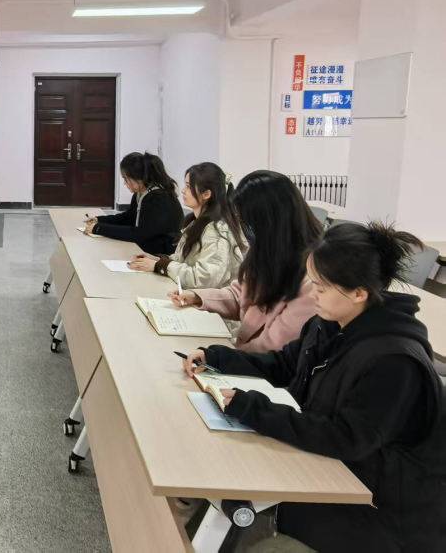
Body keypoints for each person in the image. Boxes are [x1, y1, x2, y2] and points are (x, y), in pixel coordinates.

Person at [183, 222, 446, 553]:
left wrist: (254, 409)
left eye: (321, 287)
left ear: (359, 293)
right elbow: (283, 364)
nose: (311, 294)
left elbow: (345, 438)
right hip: (335, 475)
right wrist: (216, 358)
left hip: (381, 512)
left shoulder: (394, 362)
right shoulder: (330, 324)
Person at [170, 170, 321, 352]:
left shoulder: (313, 277)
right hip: (245, 354)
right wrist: (197, 297)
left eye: (247, 222)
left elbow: (273, 347)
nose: (243, 228)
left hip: (262, 363)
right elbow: (241, 294)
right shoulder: (269, 252)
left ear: (269, 223)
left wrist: (222, 357)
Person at [129, 162, 245, 289]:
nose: (183, 191)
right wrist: (156, 260)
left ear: (206, 194)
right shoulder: (196, 222)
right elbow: (182, 260)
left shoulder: (218, 231)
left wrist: (160, 266)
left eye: (189, 186)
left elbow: (204, 278)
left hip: (207, 299)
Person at [84, 152, 183, 254]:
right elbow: (128, 217)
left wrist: (99, 228)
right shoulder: (140, 194)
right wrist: (99, 220)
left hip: (160, 254)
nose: (124, 183)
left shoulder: (159, 199)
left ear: (138, 178)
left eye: (126, 179)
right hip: (145, 248)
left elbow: (140, 234)